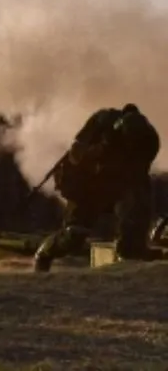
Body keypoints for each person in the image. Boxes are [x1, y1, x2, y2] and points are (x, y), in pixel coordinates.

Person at [34, 103, 161, 272]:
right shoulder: (102, 123)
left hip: (120, 183)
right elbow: (75, 155)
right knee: (73, 235)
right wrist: (96, 154)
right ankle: (44, 255)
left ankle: (129, 253)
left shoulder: (149, 141)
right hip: (89, 185)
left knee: (135, 215)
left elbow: (139, 176)